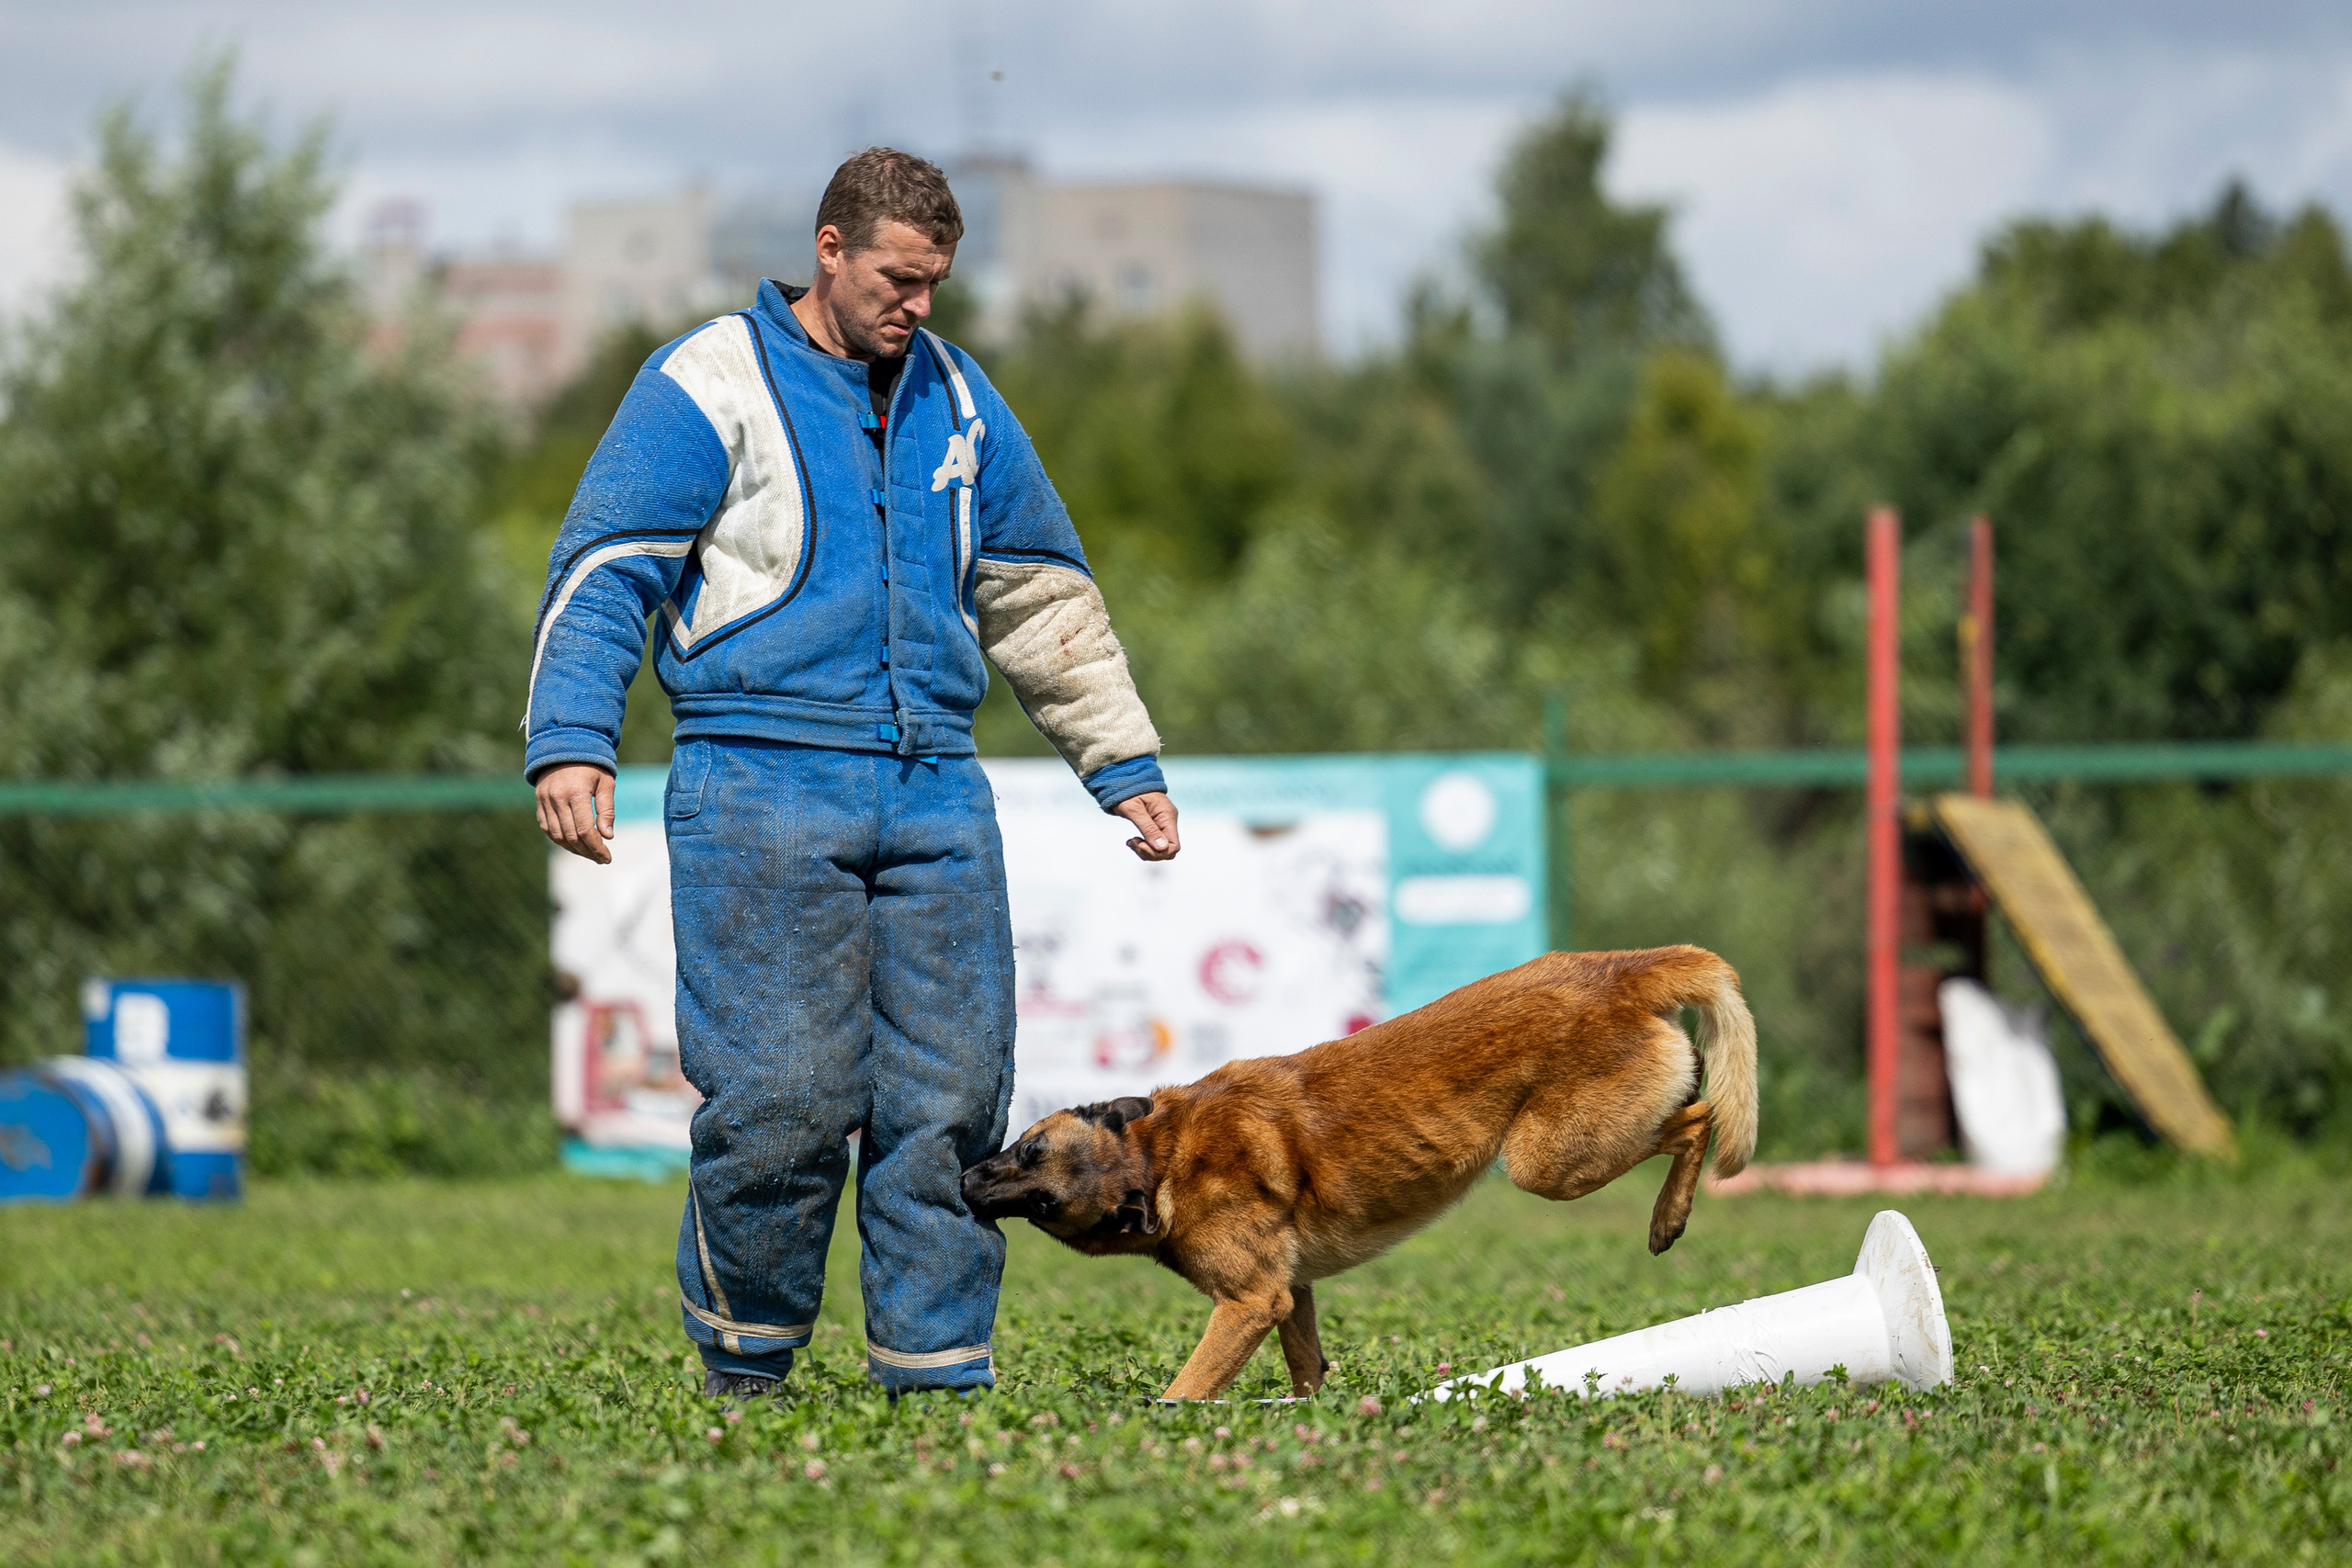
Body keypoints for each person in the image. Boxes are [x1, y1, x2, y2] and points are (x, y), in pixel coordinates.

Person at [525, 149, 1180, 1399]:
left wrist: (1122, 760)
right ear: (829, 249)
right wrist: (570, 738)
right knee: (780, 1101)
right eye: (897, 279)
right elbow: (606, 571)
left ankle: (935, 1380)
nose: (918, 306)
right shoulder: (706, 381)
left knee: (951, 1106)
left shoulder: (960, 396)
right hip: (758, 780)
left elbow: (1041, 595)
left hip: (937, 788)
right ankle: (747, 1368)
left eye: (937, 284)